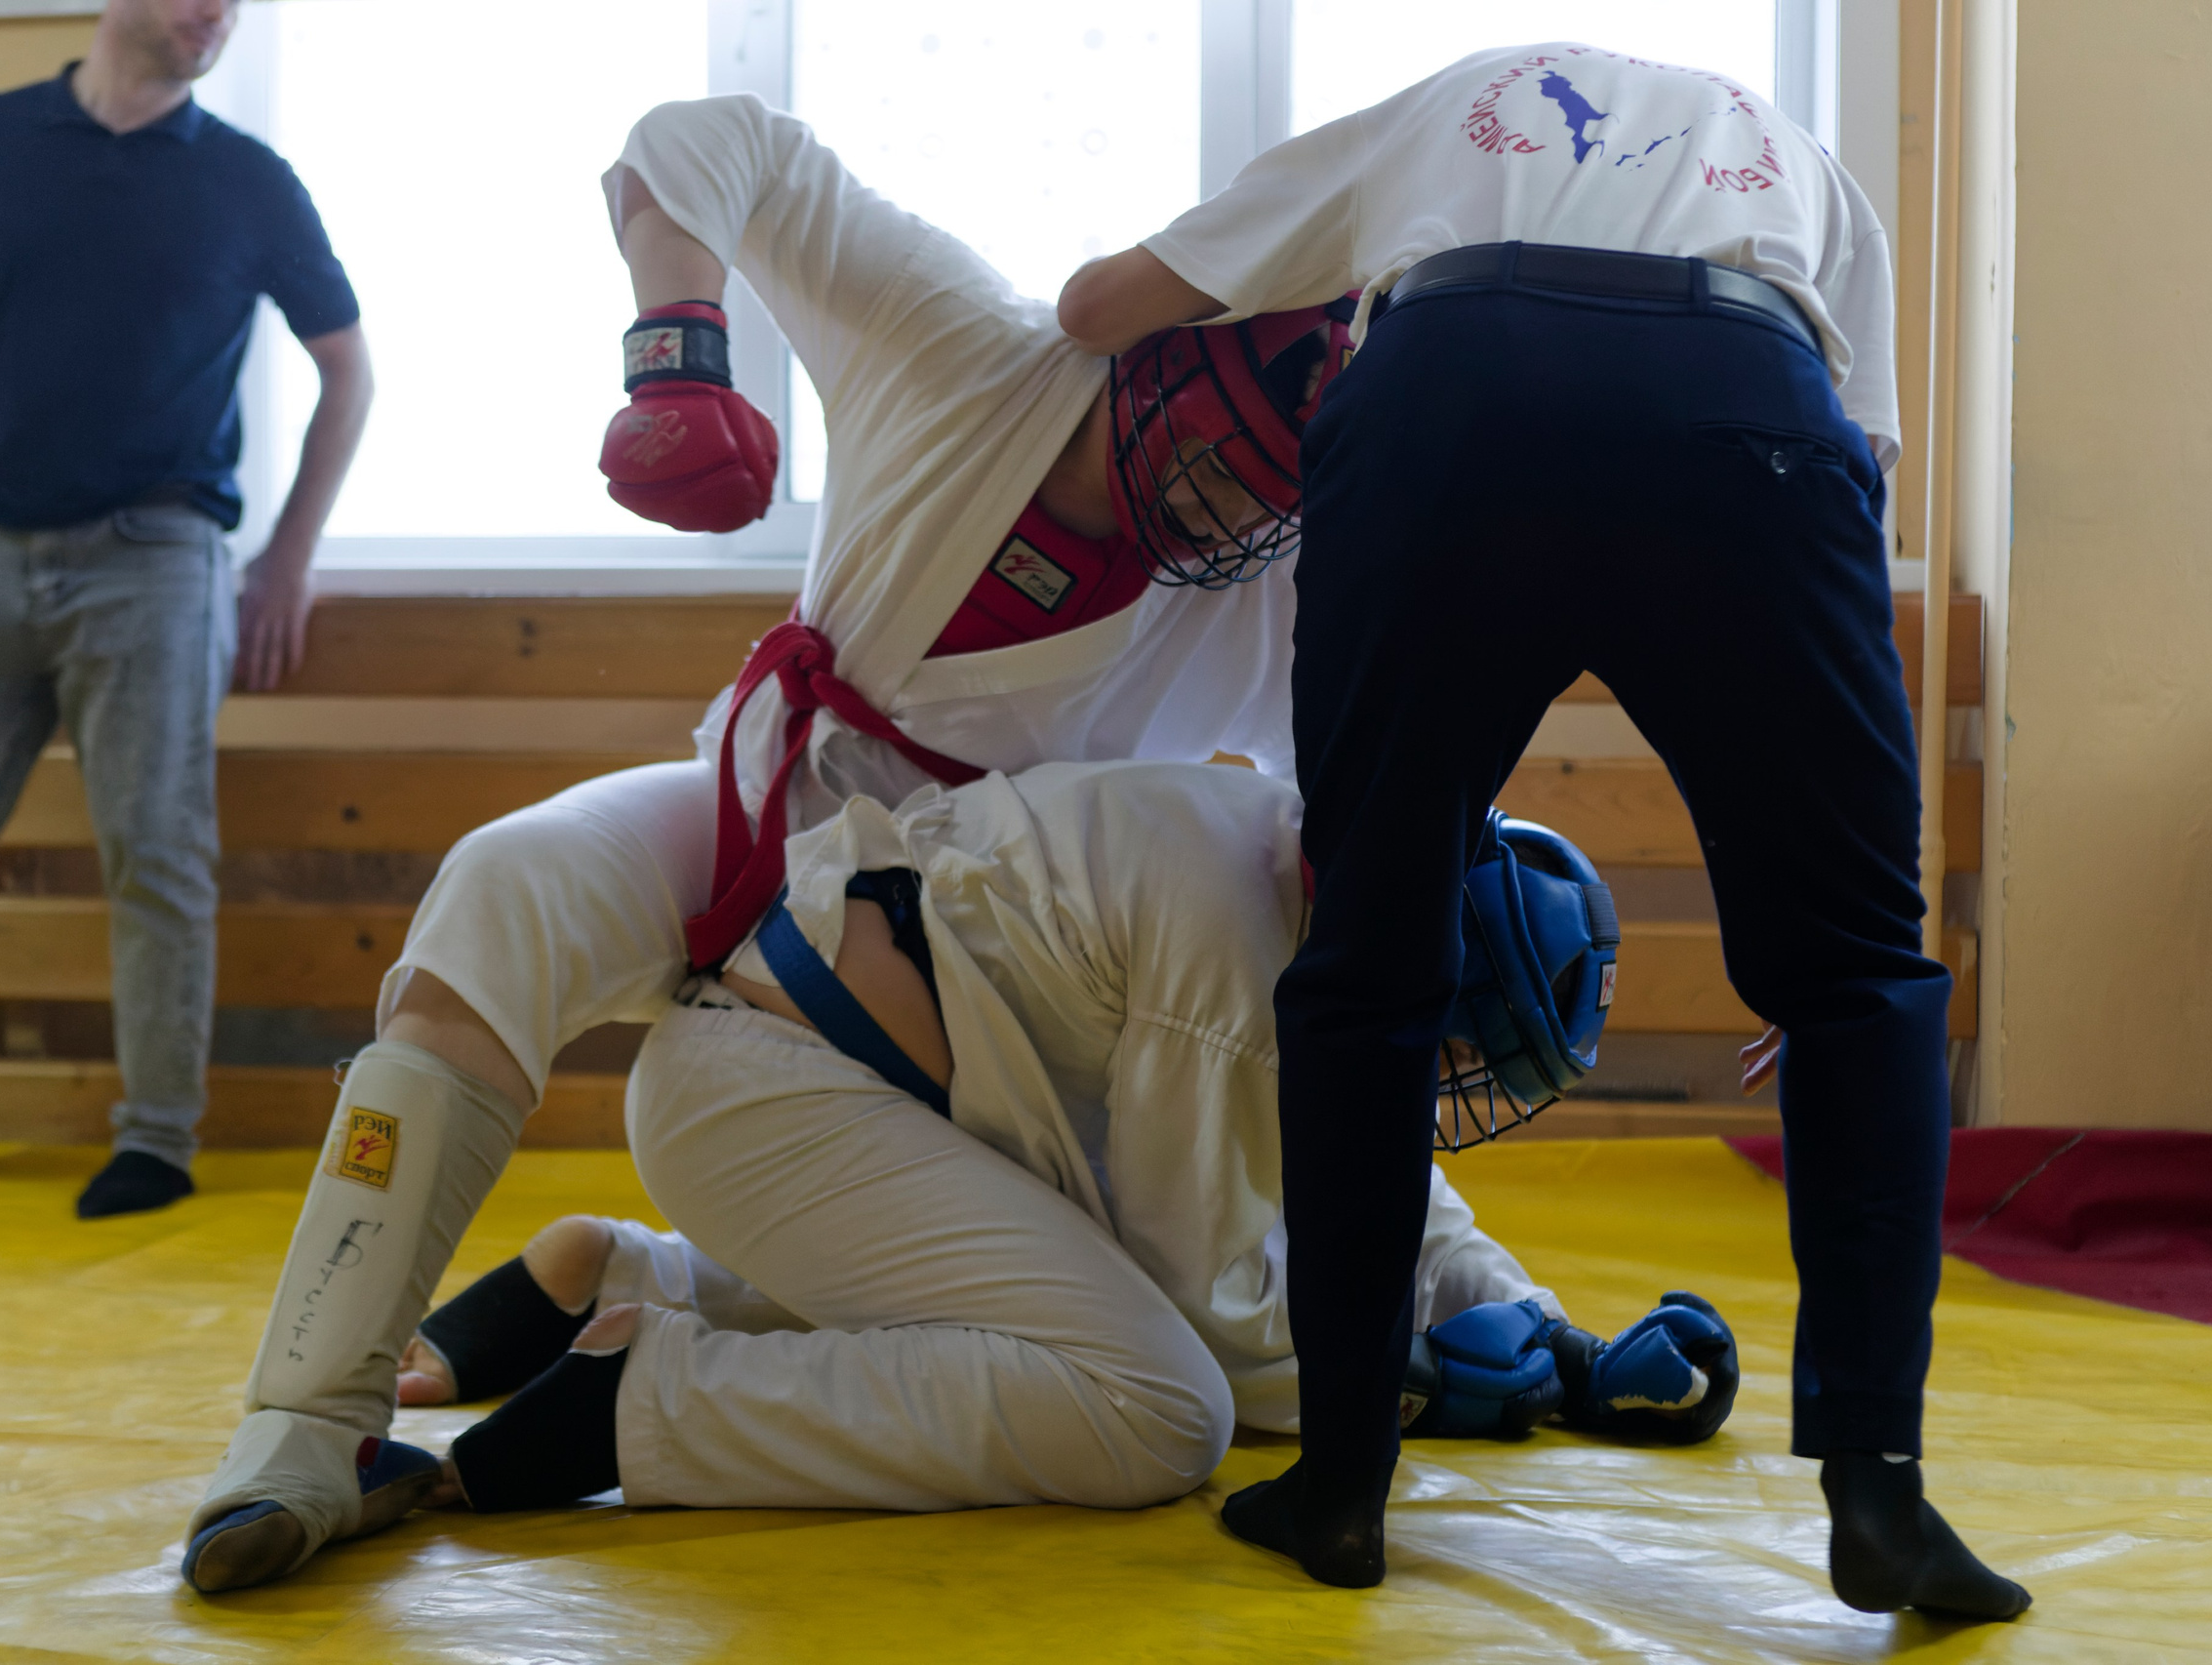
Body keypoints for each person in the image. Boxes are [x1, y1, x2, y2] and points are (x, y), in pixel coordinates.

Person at [183, 91, 1357, 1585]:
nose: (1220, 508)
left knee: (1129, 1303)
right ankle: (308, 1420)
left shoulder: (1269, 591)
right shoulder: (965, 344)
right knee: (506, 884)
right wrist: (677, 350)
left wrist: (1479, 1287)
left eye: (1263, 492)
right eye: (1215, 453)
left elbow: (1339, 871)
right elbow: (701, 144)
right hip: (765, 804)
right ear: (1152, 357)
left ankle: (645, 1286)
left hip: (955, 978)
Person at [1057, 44, 2029, 1620]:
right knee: (1865, 981)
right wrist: (1837, 924)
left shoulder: (1450, 104)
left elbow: (1099, 306)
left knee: (1369, 960)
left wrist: (1291, 312)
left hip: (1455, 392)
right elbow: (1861, 480)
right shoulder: (1802, 164)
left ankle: (1344, 1480)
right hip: (1746, 399)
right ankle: (1882, 1492)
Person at [181, 758, 1737, 1587]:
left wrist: (1554, 1333)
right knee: (1157, 1406)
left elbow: (1392, 1183)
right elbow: (1219, 1320)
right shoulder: (1234, 956)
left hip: (833, 1091)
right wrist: (1405, 1370)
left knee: (1083, 1314)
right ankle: (643, 1398)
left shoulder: (1312, 879)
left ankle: (632, 1274)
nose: (1439, 1077)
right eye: (1455, 1045)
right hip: (771, 1091)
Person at [0, 0, 371, 1218]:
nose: (216, 13)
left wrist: (288, 554)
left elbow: (348, 367)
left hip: (157, 558)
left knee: (155, 850)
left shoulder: (250, 182)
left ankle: (157, 1136)